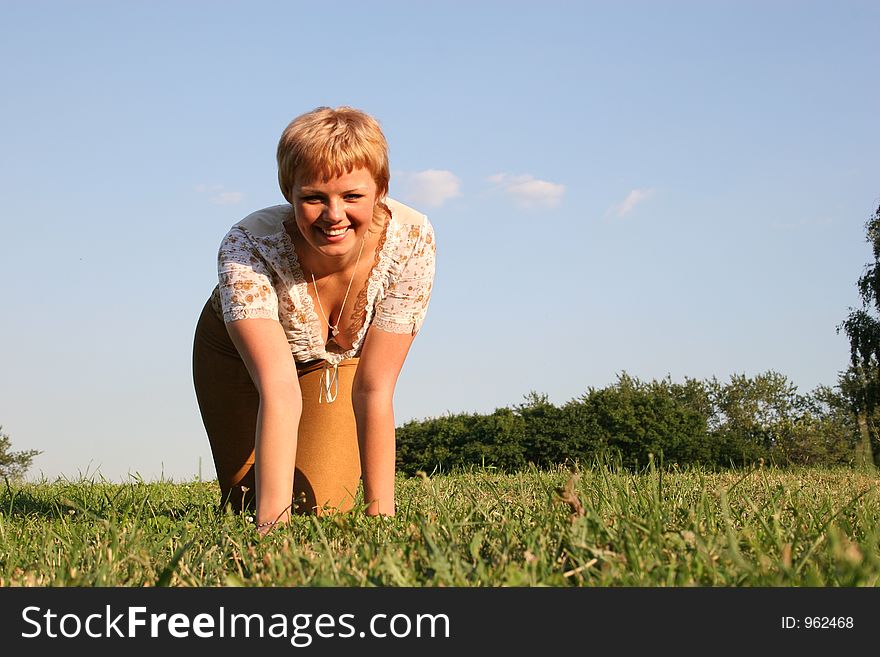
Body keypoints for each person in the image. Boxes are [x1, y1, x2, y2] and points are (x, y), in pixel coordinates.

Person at [192, 106, 435, 534]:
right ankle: (255, 502)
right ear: (290, 192)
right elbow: (279, 388)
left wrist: (383, 518)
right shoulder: (248, 244)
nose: (334, 215)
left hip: (331, 364)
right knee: (246, 501)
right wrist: (272, 526)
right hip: (236, 358)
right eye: (314, 197)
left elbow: (375, 388)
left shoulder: (412, 240)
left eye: (352, 196)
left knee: (323, 508)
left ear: (381, 189)